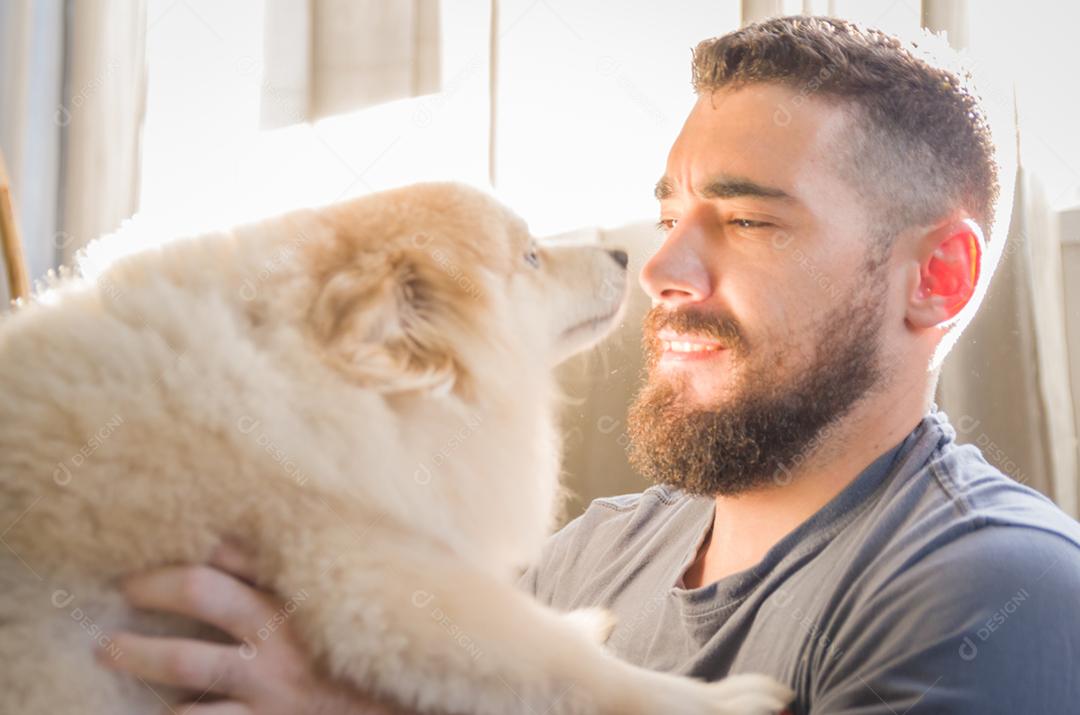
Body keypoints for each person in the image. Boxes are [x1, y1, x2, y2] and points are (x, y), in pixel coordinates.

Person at [100, 15, 1080, 715]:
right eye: (667, 219)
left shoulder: (994, 587)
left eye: (745, 221)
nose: (660, 269)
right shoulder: (593, 552)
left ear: (938, 276)